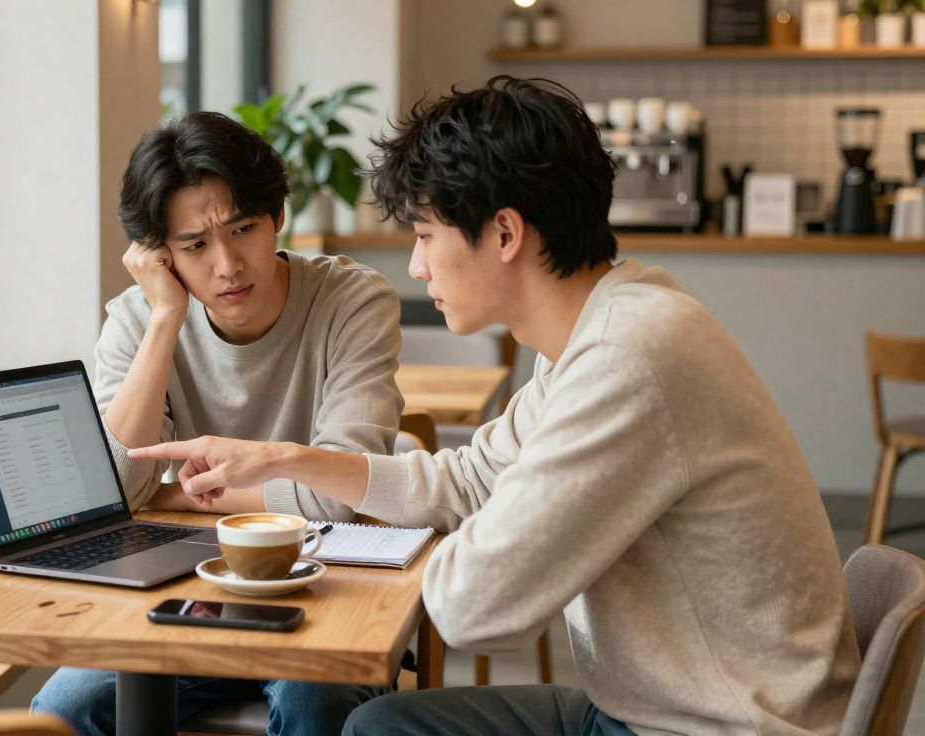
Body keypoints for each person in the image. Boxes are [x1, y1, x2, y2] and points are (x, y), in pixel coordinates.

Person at [130, 77, 861, 735]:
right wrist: (296, 462)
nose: (416, 266)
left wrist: (353, 533)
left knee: (377, 729)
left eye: (424, 236)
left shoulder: (626, 358)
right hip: (655, 706)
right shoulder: (605, 329)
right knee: (381, 726)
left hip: (716, 725)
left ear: (505, 233)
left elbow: (475, 605)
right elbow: (472, 482)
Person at [30, 111, 403, 735]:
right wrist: (166, 318)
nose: (227, 264)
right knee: (67, 710)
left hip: (323, 584)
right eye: (194, 245)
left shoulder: (353, 301)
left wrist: (179, 493)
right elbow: (114, 494)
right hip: (184, 583)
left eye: (243, 229)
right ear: (160, 254)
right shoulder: (138, 320)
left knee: (321, 707)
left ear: (278, 217)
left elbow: (340, 493)